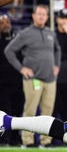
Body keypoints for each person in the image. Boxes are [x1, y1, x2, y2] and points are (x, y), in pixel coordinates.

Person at [4, 4, 61, 147]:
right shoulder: (25, 33)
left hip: (50, 79)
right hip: (33, 79)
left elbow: (57, 49)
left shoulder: (51, 33)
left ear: (47, 17)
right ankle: (27, 141)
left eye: (44, 14)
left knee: (48, 112)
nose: (42, 16)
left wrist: (57, 66)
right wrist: (21, 68)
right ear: (33, 16)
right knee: (30, 111)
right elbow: (9, 51)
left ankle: (45, 142)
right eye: (39, 14)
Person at [0, 14, 24, 145]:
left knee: (17, 112)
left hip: (18, 83)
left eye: (7, 22)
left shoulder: (17, 41)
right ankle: (4, 139)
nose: (5, 25)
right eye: (2, 23)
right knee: (5, 113)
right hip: (2, 85)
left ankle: (15, 139)